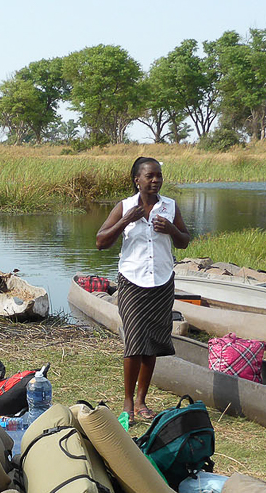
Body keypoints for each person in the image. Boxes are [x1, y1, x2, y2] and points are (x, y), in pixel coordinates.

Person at [95, 156, 192, 422]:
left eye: (158, 175)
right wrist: (125, 220)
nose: (155, 180)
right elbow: (101, 242)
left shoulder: (169, 207)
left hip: (161, 283)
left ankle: (141, 401)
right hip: (132, 282)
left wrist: (171, 229)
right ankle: (127, 402)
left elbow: (184, 242)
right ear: (136, 180)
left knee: (153, 345)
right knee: (135, 342)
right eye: (149, 176)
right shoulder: (124, 207)